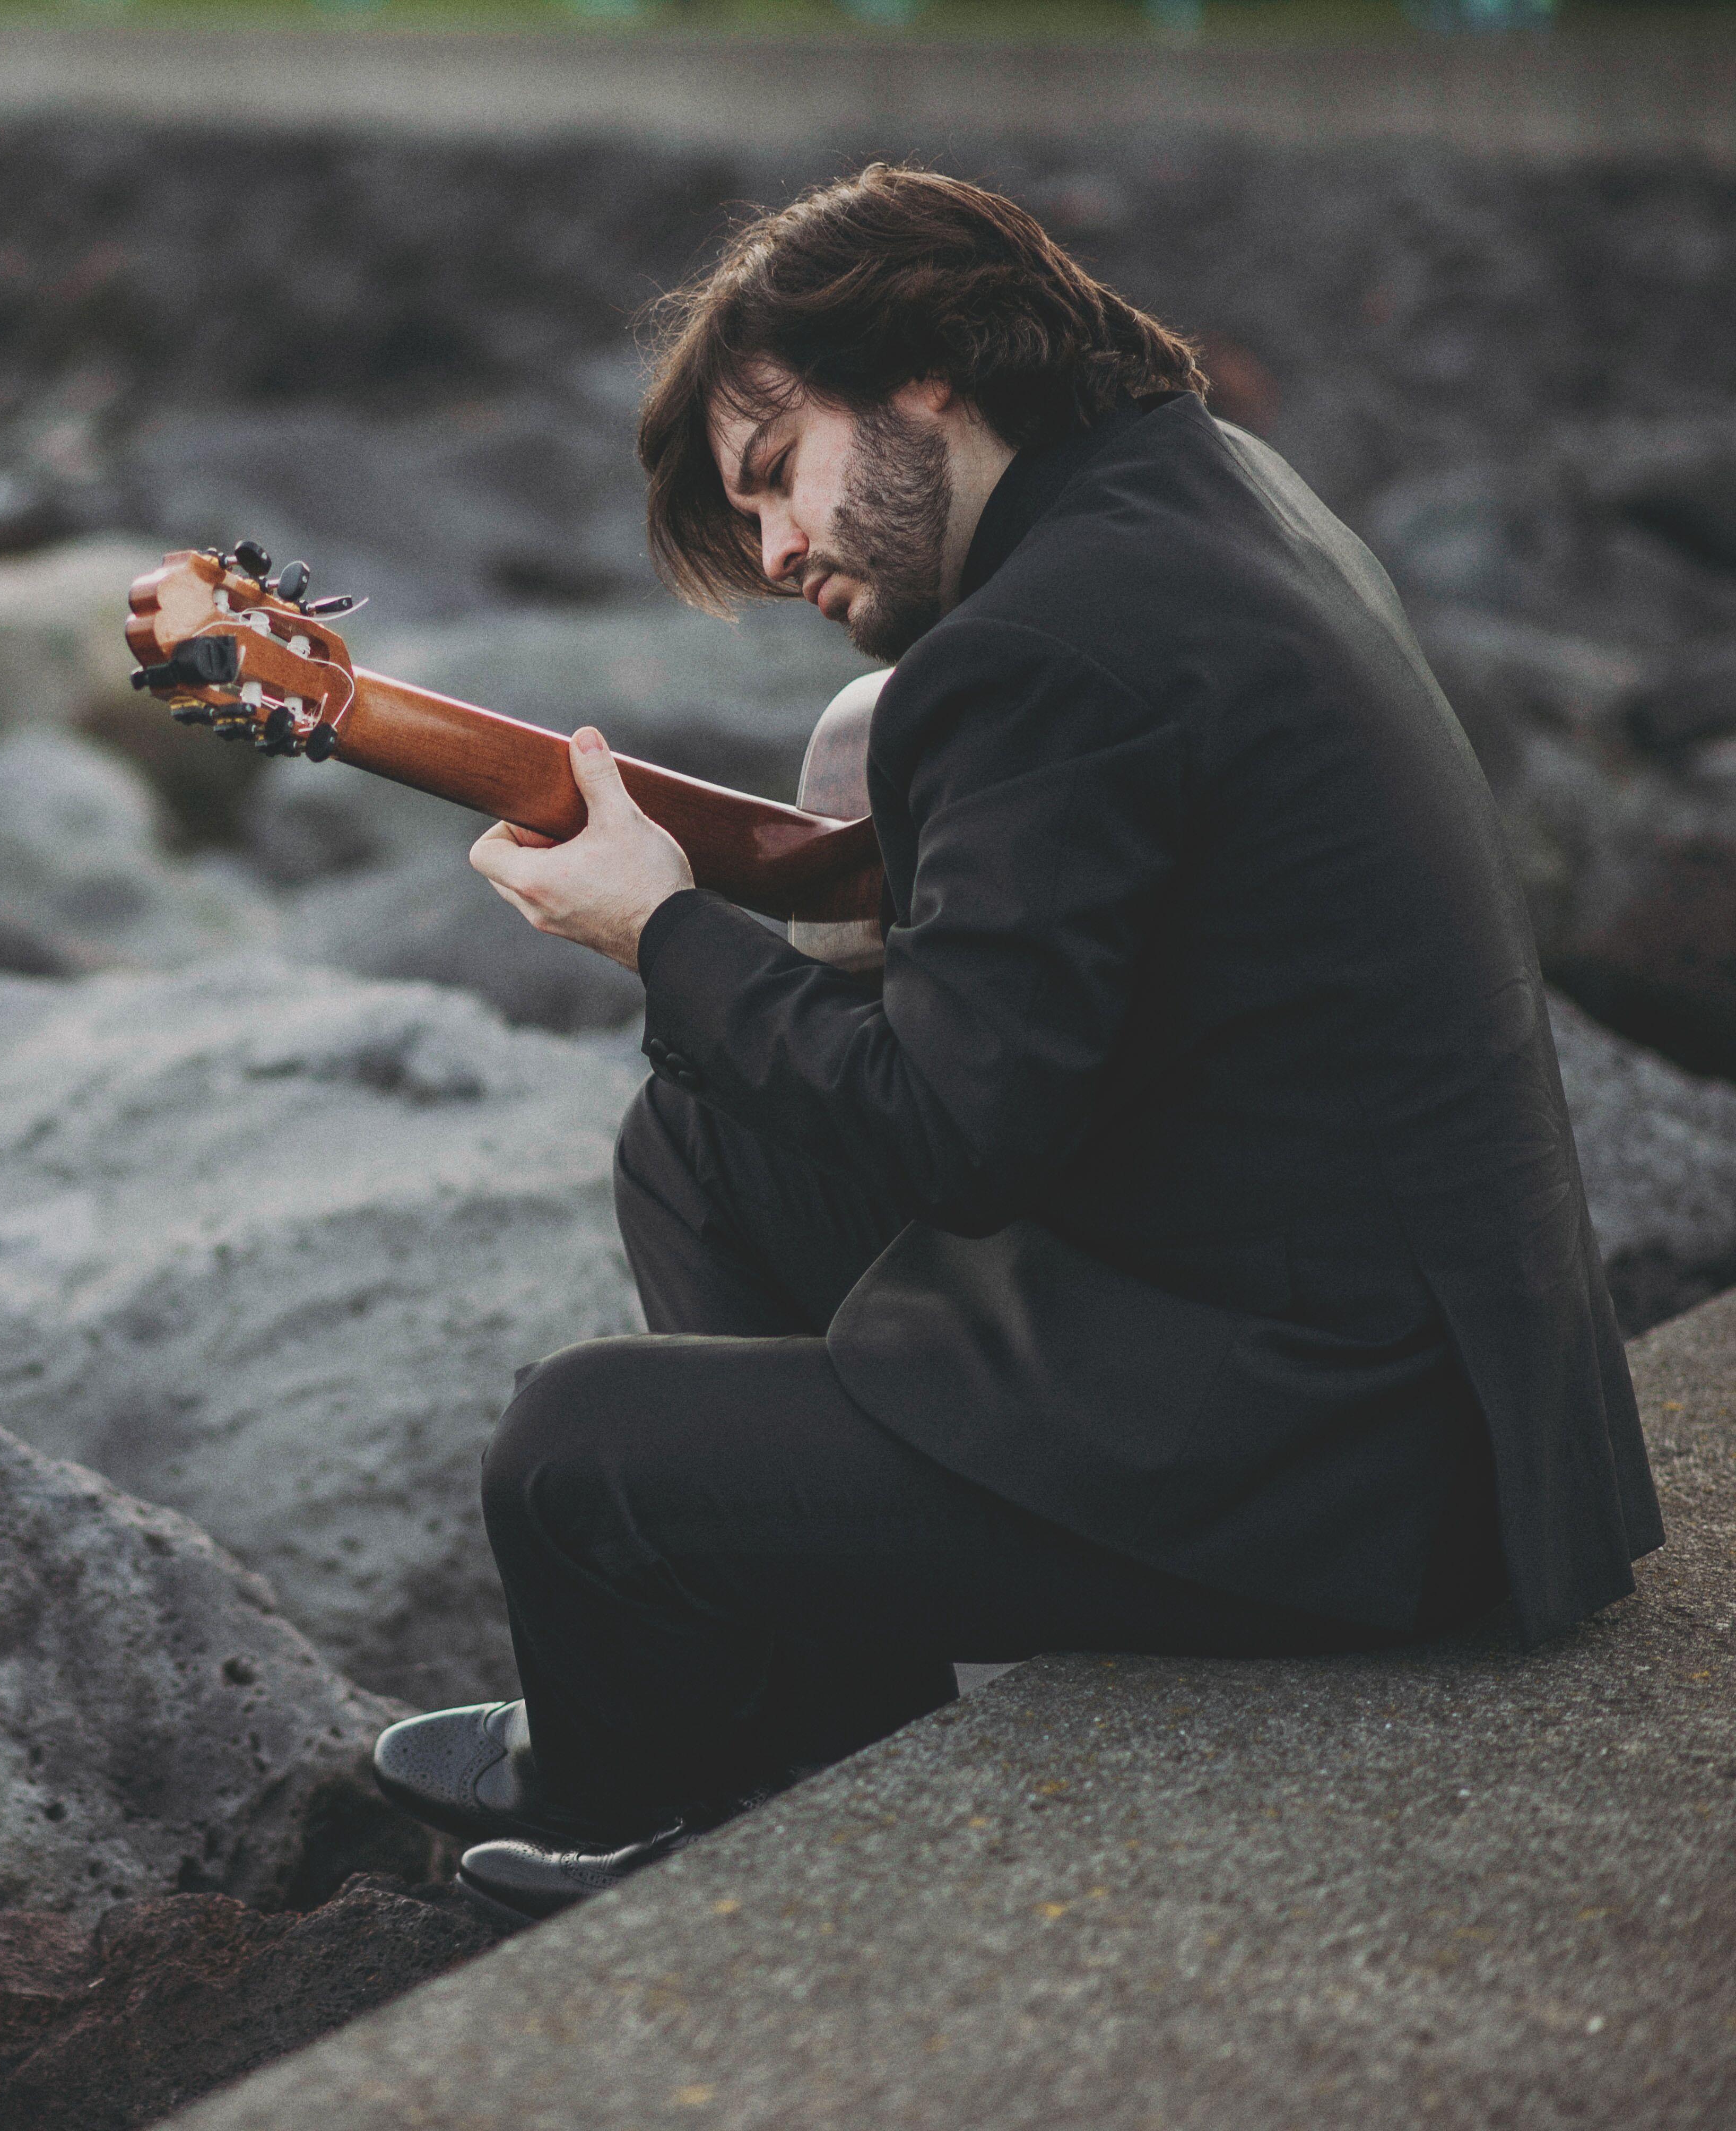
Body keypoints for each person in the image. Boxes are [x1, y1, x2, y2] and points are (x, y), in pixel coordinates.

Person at [370, 165, 1664, 1924]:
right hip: (1399, 1374)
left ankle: (636, 1786)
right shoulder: (1208, 494)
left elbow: (958, 1135)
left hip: (1339, 1468)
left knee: (573, 1452)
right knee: (705, 1141)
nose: (777, 553)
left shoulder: (1044, 647)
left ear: (926, 375)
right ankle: (816, 1726)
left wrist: (657, 930)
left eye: (778, 472)